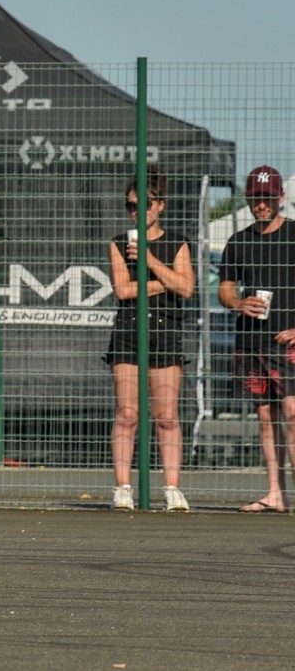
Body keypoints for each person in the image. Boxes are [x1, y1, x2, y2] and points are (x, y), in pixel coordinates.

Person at [103, 173, 194, 511]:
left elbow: (187, 287)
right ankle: (123, 487)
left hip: (166, 333)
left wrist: (149, 260)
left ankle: (172, 489)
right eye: (130, 206)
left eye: (142, 205)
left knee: (167, 415)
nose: (136, 212)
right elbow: (124, 290)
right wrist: (163, 282)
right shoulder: (117, 244)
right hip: (129, 333)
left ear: (159, 205)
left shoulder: (178, 243)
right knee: (127, 413)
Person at [218, 165, 295, 514]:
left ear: (280, 197)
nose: (261, 205)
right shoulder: (239, 241)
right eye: (255, 199)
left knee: (292, 413)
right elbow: (224, 289)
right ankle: (275, 493)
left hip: (288, 343)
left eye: (267, 198)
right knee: (266, 417)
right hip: (251, 343)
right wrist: (238, 302)